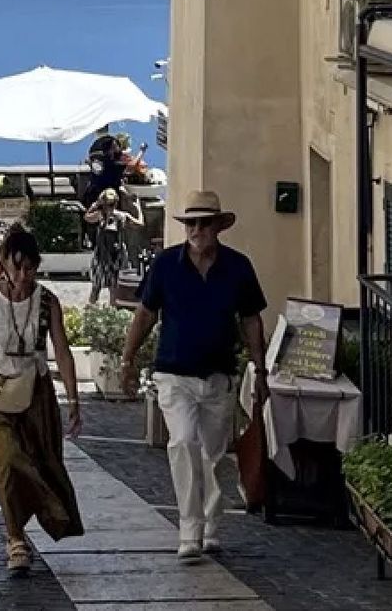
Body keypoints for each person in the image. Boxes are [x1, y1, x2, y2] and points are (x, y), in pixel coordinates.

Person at [121, 189, 267, 562]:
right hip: (174, 374)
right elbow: (145, 314)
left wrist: (260, 368)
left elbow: (251, 319)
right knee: (183, 442)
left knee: (213, 456)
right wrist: (127, 359)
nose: (196, 229)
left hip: (218, 375)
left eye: (203, 223)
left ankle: (210, 526)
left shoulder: (238, 267)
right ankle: (189, 530)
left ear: (218, 226)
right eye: (191, 223)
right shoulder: (166, 265)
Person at [0, 224, 84, 576]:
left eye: (30, 268)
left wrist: (73, 401)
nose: (24, 275)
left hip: (35, 394)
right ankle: (15, 539)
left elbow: (63, 352)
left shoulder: (47, 302)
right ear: (4, 263)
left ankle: (28, 522)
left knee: (41, 462)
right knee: (8, 460)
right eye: (18, 266)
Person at [84, 187, 143, 306]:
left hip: (113, 255)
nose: (109, 207)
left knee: (111, 287)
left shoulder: (116, 216)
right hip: (105, 254)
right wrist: (137, 207)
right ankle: (97, 310)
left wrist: (95, 205)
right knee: (101, 287)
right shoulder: (114, 216)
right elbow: (140, 223)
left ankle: (107, 310)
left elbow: (87, 217)